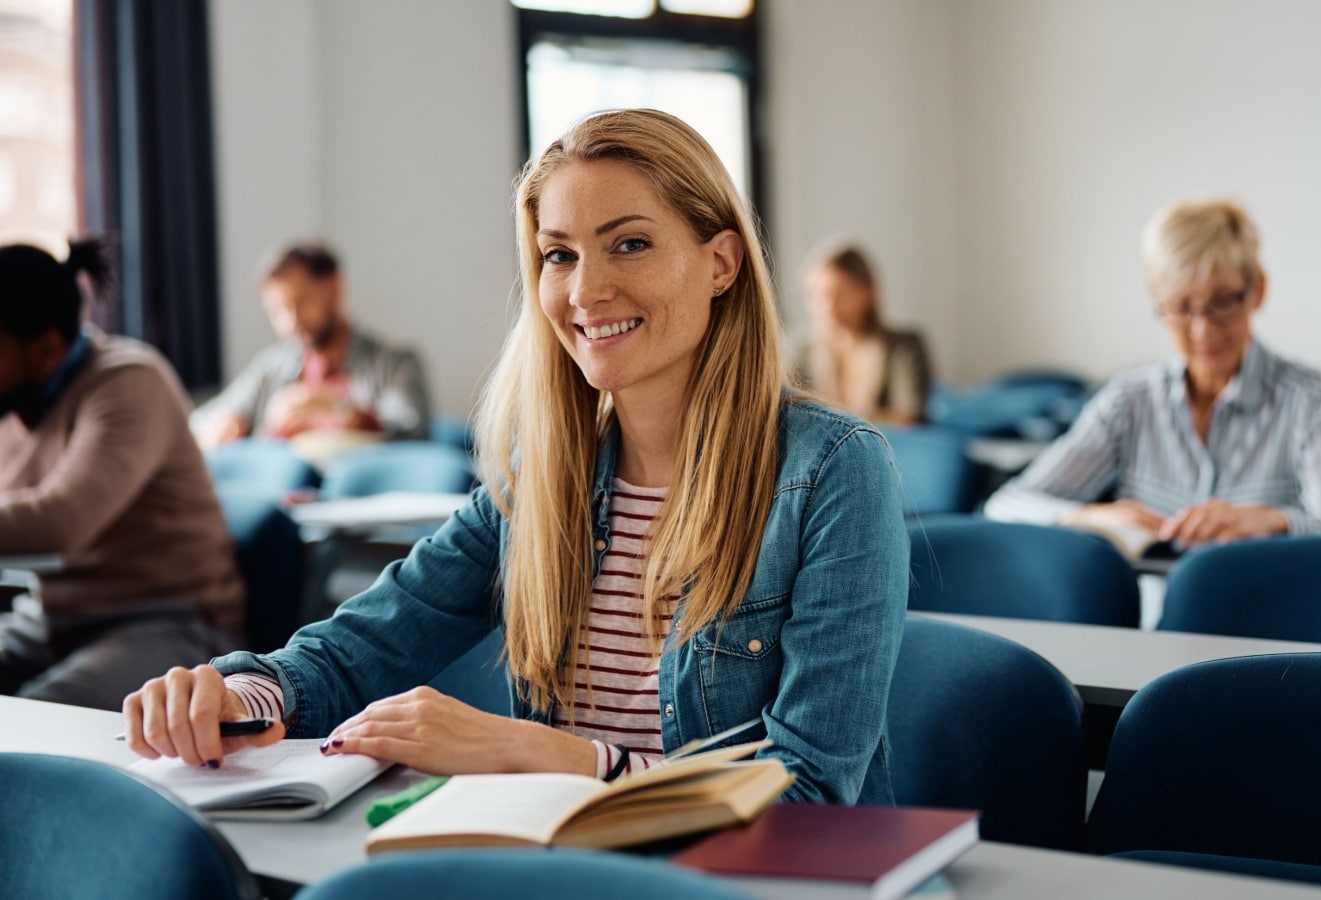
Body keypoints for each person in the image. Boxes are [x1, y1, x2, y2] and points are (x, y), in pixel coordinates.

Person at [123, 110, 908, 805]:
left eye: (630, 244)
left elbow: (809, 791)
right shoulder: (545, 474)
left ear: (722, 263)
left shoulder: (834, 470)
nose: (585, 290)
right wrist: (241, 695)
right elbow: (364, 646)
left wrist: (543, 755)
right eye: (559, 255)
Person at [984, 199, 1321, 544]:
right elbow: (1007, 505)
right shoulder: (1129, 401)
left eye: (1222, 302)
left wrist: (1273, 520)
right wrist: (1088, 516)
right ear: (1158, 303)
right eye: (1181, 307)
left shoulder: (1314, 401)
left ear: (1257, 291)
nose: (1202, 330)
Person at [0, 240, 244, 710]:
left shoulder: (128, 382)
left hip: (165, 622)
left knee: (31, 718)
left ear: (47, 349)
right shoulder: (13, 399)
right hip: (50, 619)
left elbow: (60, 521)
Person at [192, 241, 431, 449]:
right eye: (277, 312)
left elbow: (413, 430)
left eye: (302, 302)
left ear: (335, 288)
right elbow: (198, 421)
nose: (292, 322)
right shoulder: (271, 367)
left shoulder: (394, 363)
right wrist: (225, 423)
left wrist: (342, 409)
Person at [794, 242, 932, 424]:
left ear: (868, 292)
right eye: (815, 296)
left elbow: (909, 417)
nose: (827, 306)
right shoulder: (800, 350)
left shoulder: (904, 346)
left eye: (839, 293)